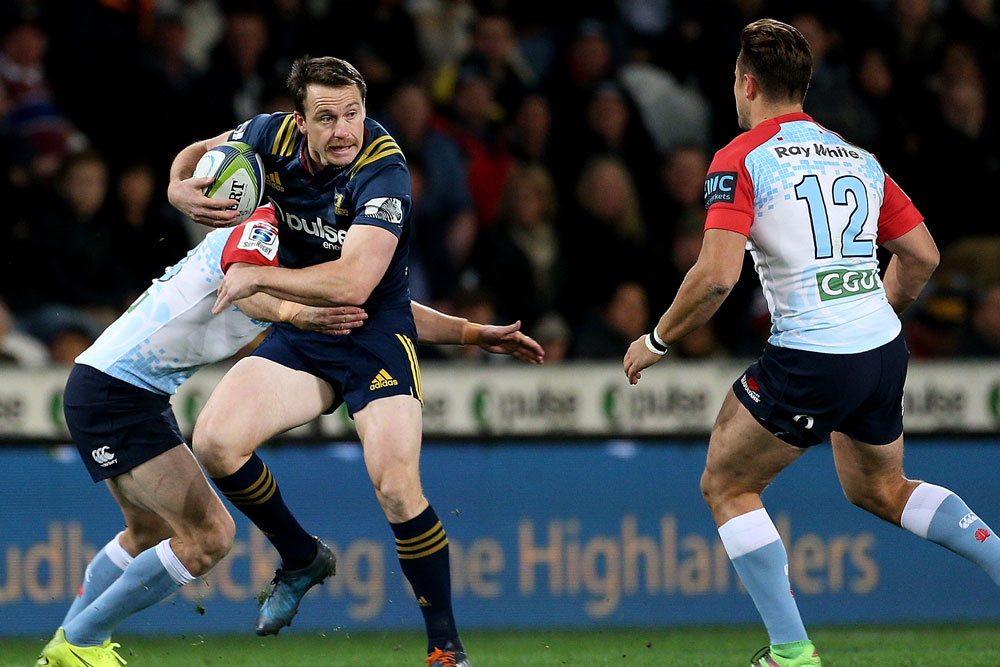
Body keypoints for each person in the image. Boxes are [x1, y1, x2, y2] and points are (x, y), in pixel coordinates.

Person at [623, 19, 1000, 667]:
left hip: (813, 353)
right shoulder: (859, 158)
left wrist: (657, 339)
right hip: (880, 349)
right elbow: (922, 256)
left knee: (727, 482)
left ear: (746, 84)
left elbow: (715, 276)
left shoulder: (741, 157)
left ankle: (791, 652)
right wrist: (871, 315)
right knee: (881, 489)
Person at [38, 205, 542, 667]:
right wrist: (298, 315)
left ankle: (68, 644)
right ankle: (79, 643)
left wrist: (472, 333)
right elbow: (244, 286)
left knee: (146, 533)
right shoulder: (263, 226)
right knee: (210, 537)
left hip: (124, 391)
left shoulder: (297, 235)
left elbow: (386, 311)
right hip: (115, 396)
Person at [169, 56, 541, 667]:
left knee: (396, 488)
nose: (345, 130)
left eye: (354, 114)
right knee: (213, 442)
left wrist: (259, 278)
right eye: (327, 118)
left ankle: (445, 649)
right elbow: (195, 155)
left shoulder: (384, 169)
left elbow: (355, 281)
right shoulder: (267, 135)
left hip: (375, 337)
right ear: (300, 121)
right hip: (305, 332)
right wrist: (176, 188)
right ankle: (301, 557)